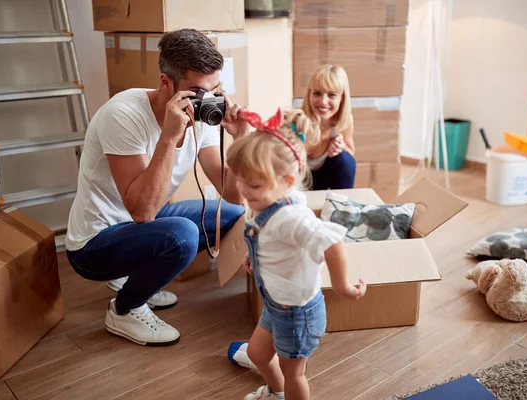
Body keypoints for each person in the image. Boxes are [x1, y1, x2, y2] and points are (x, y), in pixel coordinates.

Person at [64, 29, 248, 346]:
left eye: (214, 89)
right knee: (182, 236)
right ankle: (124, 309)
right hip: (95, 242)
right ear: (166, 82)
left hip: (143, 222)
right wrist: (168, 136)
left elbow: (234, 193)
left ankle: (139, 279)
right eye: (196, 92)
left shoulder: (201, 115)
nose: (207, 100)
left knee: (232, 214)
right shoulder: (123, 115)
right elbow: (143, 211)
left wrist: (240, 139)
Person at [226, 107, 367, 400]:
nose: (242, 190)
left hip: (297, 313)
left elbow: (332, 241)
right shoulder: (269, 200)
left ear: (286, 182)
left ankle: (286, 390)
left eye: (252, 184)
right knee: (257, 353)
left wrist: (342, 286)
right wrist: (257, 257)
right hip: (277, 303)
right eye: (239, 179)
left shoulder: (291, 217)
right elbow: (268, 239)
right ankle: (277, 393)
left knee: (295, 374)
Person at [301, 64, 357, 190]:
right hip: (300, 179)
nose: (323, 102)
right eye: (317, 94)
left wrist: (341, 147)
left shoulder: (345, 121)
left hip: (323, 179)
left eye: (331, 95)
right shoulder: (299, 120)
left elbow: (351, 152)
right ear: (309, 94)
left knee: (345, 160)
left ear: (342, 98)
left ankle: (342, 203)